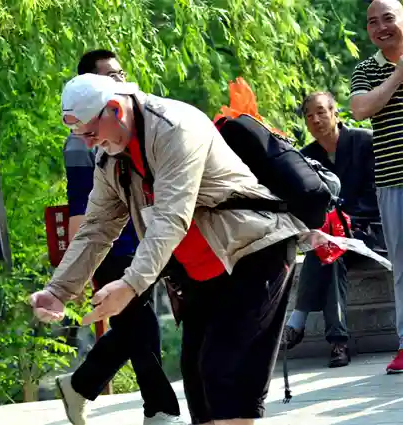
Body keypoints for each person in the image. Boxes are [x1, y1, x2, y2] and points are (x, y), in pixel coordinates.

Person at [30, 73, 307, 425]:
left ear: (114, 108)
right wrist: (59, 290)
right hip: (199, 275)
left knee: (224, 376)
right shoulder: (110, 157)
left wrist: (130, 285)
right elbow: (96, 228)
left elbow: (171, 217)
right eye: (81, 136)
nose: (89, 143)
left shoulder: (176, 128)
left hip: (253, 254)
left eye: (91, 132)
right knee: (199, 385)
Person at [58, 50, 181, 425]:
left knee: (131, 327)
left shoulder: (139, 127)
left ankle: (79, 385)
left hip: (146, 242)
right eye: (109, 77)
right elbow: (81, 209)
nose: (120, 82)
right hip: (113, 249)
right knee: (141, 326)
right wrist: (79, 272)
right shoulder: (82, 141)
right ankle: (160, 410)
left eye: (121, 73)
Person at [283, 92, 379, 368]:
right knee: (331, 253)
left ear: (335, 113)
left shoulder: (364, 142)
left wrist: (344, 219)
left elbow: (375, 194)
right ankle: (338, 342)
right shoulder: (305, 158)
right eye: (309, 115)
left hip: (368, 230)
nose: (315, 119)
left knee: (330, 246)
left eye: (321, 112)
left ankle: (297, 320)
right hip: (331, 239)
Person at [350, 0, 403, 374]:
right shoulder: (365, 69)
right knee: (402, 267)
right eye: (373, 22)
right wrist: (399, 75)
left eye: (389, 19)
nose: (381, 27)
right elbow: (360, 109)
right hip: (392, 181)